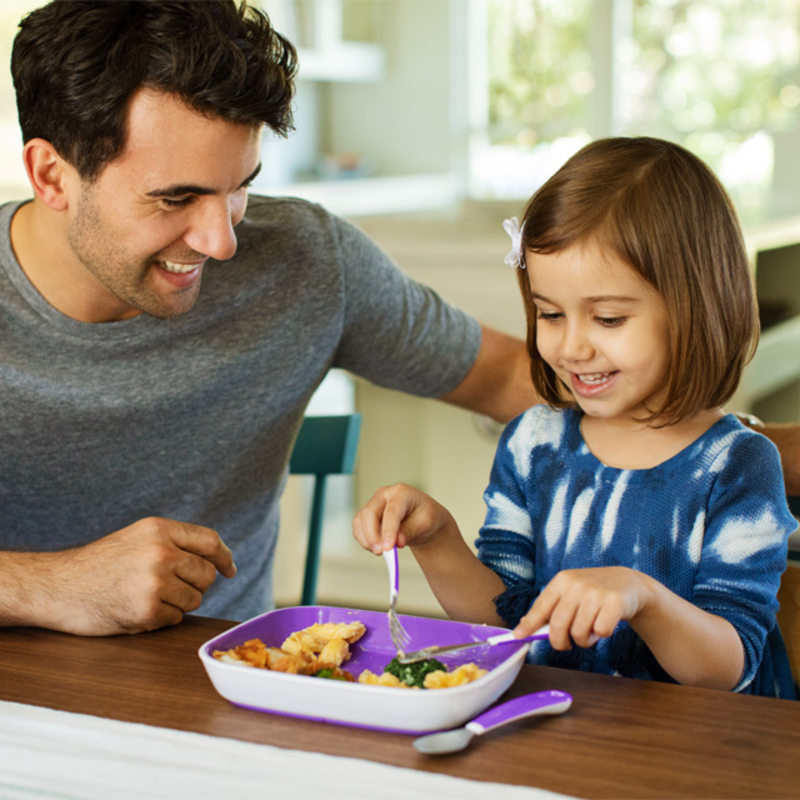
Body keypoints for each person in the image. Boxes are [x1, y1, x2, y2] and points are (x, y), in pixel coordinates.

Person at [0, 0, 536, 636]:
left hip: (229, 687)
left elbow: (509, 377)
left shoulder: (305, 260)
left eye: (238, 188)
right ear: (51, 175)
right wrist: (52, 585)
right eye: (176, 198)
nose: (221, 242)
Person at [353, 137, 798, 699]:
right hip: (562, 731)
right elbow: (505, 622)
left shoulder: (737, 466)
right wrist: (437, 537)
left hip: (700, 757)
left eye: (608, 319)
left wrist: (644, 597)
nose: (572, 347)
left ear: (695, 310)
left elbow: (727, 668)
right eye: (551, 314)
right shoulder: (533, 443)